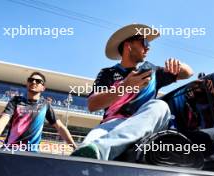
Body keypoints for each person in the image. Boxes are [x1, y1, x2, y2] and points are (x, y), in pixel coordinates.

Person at [72, 24, 193, 160]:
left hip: (145, 125)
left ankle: (101, 149)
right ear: (128, 45)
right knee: (84, 152)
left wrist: (179, 66)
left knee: (160, 106)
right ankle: (98, 150)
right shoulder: (108, 73)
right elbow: (92, 105)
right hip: (111, 125)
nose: (148, 47)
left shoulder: (153, 72)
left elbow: (188, 73)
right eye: (144, 42)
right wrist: (124, 86)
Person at [0, 72, 77, 151]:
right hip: (10, 151)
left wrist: (74, 148)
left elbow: (60, 127)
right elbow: (2, 121)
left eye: (38, 81)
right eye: (30, 80)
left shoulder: (45, 105)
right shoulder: (15, 100)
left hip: (31, 154)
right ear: (27, 84)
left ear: (43, 88)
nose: (33, 82)